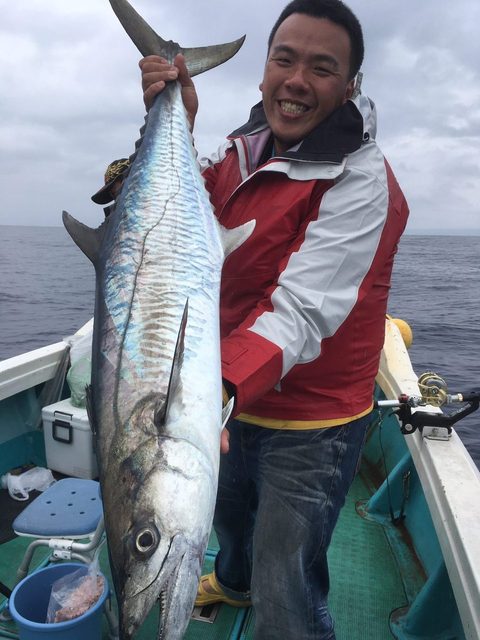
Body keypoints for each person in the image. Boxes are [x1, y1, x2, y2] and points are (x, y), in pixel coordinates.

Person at [140, 0, 409, 638]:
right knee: (229, 519)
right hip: (224, 401)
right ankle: (232, 582)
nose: (296, 79)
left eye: (321, 68)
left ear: (349, 87)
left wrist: (212, 393)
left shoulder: (363, 181)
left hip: (311, 420)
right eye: (284, 58)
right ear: (263, 70)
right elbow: (185, 218)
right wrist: (172, 116)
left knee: (285, 573)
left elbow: (299, 312)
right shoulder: (239, 153)